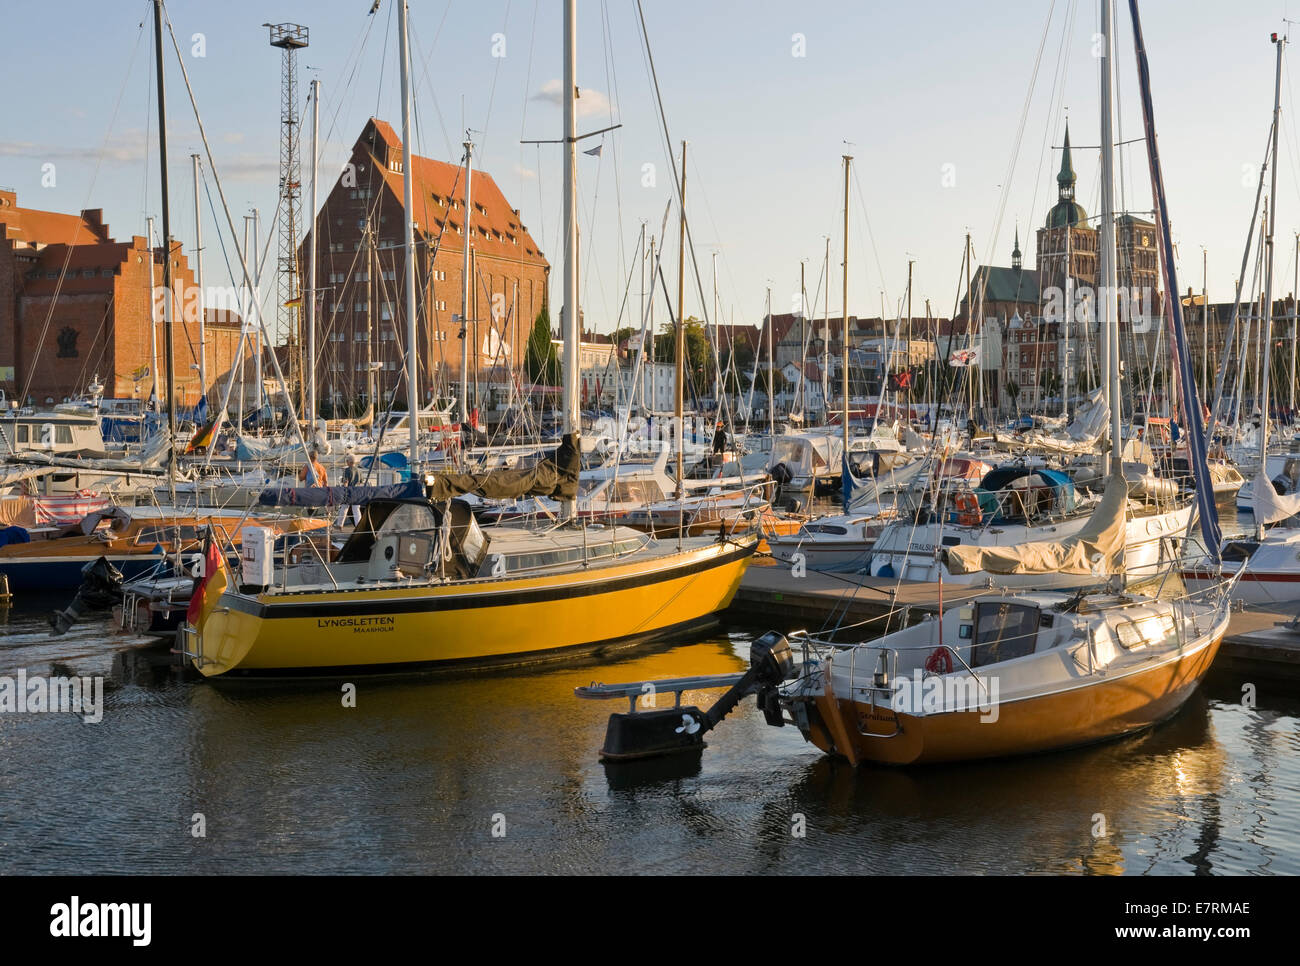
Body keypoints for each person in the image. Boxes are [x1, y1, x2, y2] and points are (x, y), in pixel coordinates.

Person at [335, 453, 362, 527]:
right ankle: (358, 525)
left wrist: (344, 491)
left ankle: (339, 524)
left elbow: (345, 482)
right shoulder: (359, 471)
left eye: (347, 461)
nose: (346, 462)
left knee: (344, 508)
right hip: (356, 491)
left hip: (348, 492)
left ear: (349, 462)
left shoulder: (346, 470)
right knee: (356, 510)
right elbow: (361, 482)